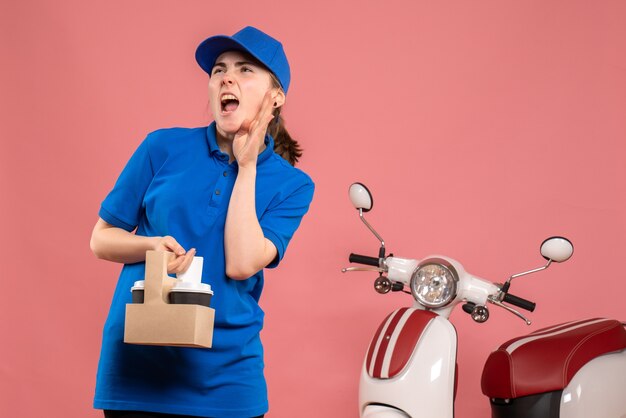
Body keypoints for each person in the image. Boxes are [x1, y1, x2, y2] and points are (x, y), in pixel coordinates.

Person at [90, 26, 314, 418]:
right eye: (218, 70)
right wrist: (150, 245)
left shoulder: (293, 185)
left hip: (226, 381)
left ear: (275, 97)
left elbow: (242, 263)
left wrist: (246, 167)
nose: (227, 77)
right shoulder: (162, 146)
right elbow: (100, 240)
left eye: (245, 70)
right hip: (136, 371)